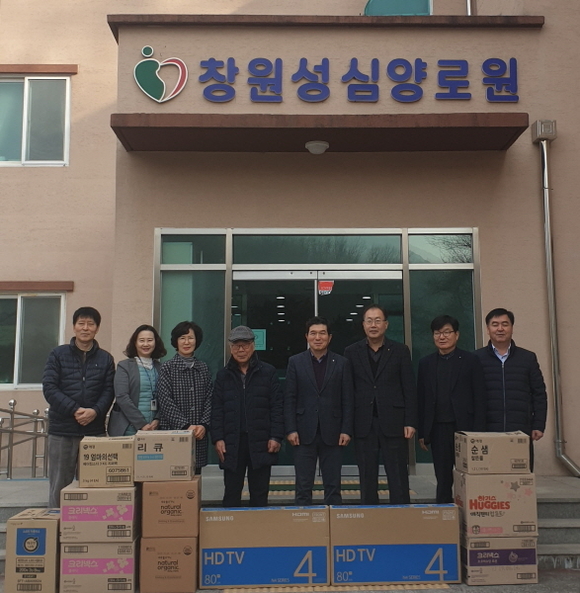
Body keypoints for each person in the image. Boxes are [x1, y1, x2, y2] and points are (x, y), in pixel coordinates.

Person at [344, 304, 417, 505]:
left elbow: (409, 388)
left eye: (378, 320)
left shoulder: (400, 351)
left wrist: (410, 421)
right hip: (363, 423)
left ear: (386, 324)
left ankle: (401, 514)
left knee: (398, 476)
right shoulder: (351, 352)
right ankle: (370, 518)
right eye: (369, 321)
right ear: (363, 325)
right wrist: (347, 426)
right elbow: (348, 391)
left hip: (394, 422)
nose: (373, 325)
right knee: (367, 477)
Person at [42, 306, 115, 507]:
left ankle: (89, 525)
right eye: (81, 323)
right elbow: (49, 388)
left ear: (97, 328)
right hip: (62, 431)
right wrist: (74, 409)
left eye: (90, 324)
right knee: (59, 485)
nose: (85, 328)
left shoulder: (106, 358)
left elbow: (109, 391)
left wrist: (95, 411)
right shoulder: (57, 354)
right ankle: (57, 522)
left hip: (94, 431)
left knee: (95, 485)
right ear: (74, 327)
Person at [211, 326, 284, 507]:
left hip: (261, 441)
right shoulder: (223, 376)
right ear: (230, 348)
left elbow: (277, 407)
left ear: (253, 346)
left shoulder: (268, 372)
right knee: (231, 492)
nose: (241, 350)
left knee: (260, 493)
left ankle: (257, 525)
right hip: (232, 442)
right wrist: (218, 438)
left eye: (245, 345)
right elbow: (217, 409)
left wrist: (276, 436)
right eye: (236, 346)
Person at [417, 315, 487, 503]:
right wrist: (423, 432)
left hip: (465, 428)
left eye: (447, 332)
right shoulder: (426, 364)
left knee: (468, 476)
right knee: (442, 477)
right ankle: (445, 513)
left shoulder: (471, 360)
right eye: (437, 333)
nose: (442, 337)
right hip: (438, 428)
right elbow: (421, 399)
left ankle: (470, 513)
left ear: (457, 335)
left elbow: (479, 397)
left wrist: (479, 431)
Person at [284, 317, 354, 506]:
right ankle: (304, 522)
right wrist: (290, 429)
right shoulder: (295, 362)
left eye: (322, 333)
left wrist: (346, 429)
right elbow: (289, 398)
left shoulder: (342, 363)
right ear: (306, 336)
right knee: (303, 486)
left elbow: (348, 399)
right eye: (313, 333)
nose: (317, 338)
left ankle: (334, 522)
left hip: (333, 431)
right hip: (302, 432)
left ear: (329, 337)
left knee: (333, 486)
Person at [476, 308, 548, 470]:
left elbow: (539, 393)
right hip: (487, 430)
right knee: (490, 475)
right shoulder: (476, 358)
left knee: (519, 475)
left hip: (520, 430)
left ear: (512, 328)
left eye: (505, 324)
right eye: (495, 324)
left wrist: (538, 424)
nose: (500, 329)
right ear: (488, 329)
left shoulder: (527, 358)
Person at [156, 321, 213, 473]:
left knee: (195, 478)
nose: (187, 342)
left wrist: (203, 425)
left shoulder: (203, 368)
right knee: (173, 475)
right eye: (182, 338)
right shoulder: (167, 368)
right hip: (174, 434)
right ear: (176, 341)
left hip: (198, 435)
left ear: (197, 340)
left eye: (191, 338)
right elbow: (165, 401)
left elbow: (210, 399)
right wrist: (185, 426)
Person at [108, 324, 166, 436]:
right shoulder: (124, 366)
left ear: (156, 342)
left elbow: (165, 398)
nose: (146, 344)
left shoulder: (161, 367)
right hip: (128, 428)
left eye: (150, 340)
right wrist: (141, 424)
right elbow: (122, 397)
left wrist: (158, 419)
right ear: (135, 343)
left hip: (154, 428)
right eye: (141, 340)